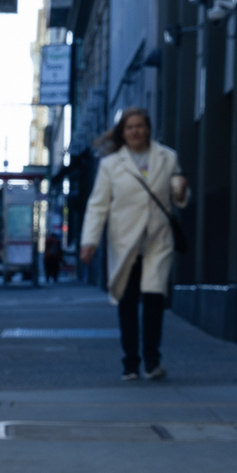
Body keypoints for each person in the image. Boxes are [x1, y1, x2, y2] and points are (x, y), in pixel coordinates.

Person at [78, 108, 187, 381]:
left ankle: (151, 362)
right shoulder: (111, 165)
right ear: (122, 133)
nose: (135, 131)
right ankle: (130, 362)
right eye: (129, 127)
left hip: (157, 241)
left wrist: (182, 191)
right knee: (127, 304)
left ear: (148, 128)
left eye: (139, 126)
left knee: (153, 299)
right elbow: (98, 205)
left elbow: (179, 196)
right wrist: (89, 241)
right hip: (124, 242)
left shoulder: (167, 157)